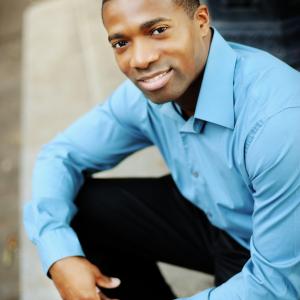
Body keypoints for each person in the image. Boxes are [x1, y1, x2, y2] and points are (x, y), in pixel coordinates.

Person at [23, 0, 300, 299]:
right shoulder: (146, 94)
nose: (139, 60)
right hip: (214, 215)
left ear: (202, 21)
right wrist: (60, 255)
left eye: (158, 30)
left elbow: (275, 286)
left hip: (271, 245)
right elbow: (61, 155)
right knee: (76, 210)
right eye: (121, 42)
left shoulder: (278, 124)